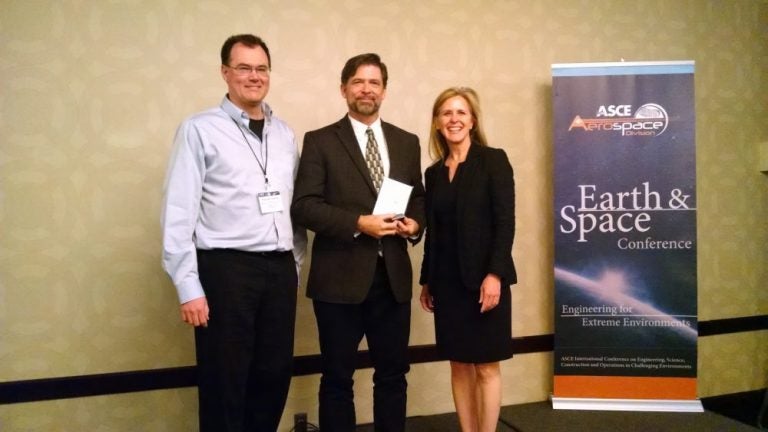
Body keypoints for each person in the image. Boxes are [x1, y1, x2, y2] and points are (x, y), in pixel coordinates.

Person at [161, 34, 305, 432]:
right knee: (225, 380)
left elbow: (293, 205)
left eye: (261, 68)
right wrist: (188, 285)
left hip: (278, 272)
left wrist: (293, 263)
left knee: (273, 375)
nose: (253, 76)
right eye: (243, 67)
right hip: (226, 271)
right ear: (225, 72)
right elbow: (178, 210)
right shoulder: (199, 130)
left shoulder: (285, 134)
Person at [291, 53, 425, 432]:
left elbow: (419, 198)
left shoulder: (406, 142)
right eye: (358, 82)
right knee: (337, 379)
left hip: (392, 278)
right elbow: (304, 206)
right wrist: (357, 223)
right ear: (343, 89)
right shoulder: (320, 141)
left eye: (375, 83)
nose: (367, 89)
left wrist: (415, 224)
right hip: (339, 282)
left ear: (384, 91)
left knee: (393, 376)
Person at [418, 87, 516, 432]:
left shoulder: (493, 161)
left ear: (472, 120)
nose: (454, 119)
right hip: (447, 285)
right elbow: (434, 231)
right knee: (458, 365)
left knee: (487, 367)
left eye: (461, 112)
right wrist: (427, 280)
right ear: (437, 123)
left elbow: (505, 223)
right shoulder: (432, 173)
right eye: (446, 113)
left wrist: (495, 275)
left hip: (484, 282)